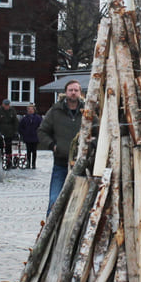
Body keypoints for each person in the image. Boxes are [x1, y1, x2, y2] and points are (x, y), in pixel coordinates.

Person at [38, 80, 84, 210]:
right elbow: (42, 131)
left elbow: (98, 131)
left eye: (76, 90)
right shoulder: (55, 111)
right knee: (55, 200)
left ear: (80, 93)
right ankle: (49, 228)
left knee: (78, 202)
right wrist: (53, 146)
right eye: (71, 90)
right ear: (66, 92)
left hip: (81, 163)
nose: (73, 93)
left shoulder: (87, 111)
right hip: (61, 162)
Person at [0, 98, 19, 164]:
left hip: (9, 132)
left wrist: (16, 131)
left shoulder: (12, 110)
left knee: (8, 148)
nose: (7, 106)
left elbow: (15, 121)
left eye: (8, 105)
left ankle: (9, 162)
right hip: (1, 132)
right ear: (3, 104)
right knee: (0, 148)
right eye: (5, 105)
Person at [18, 103, 43, 169]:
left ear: (34, 110)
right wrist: (24, 133)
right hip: (27, 137)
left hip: (35, 137)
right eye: (29, 109)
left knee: (34, 151)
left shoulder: (38, 118)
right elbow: (20, 127)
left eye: (31, 109)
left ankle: (33, 164)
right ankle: (28, 164)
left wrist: (39, 133)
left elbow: (42, 127)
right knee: (28, 151)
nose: (30, 110)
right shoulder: (25, 118)